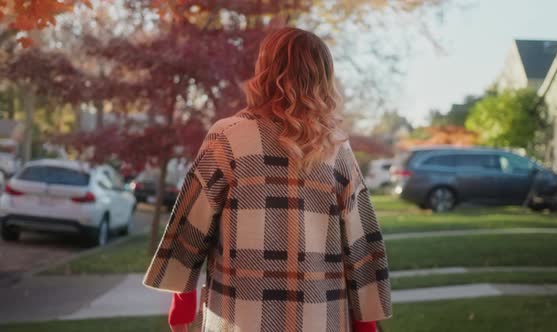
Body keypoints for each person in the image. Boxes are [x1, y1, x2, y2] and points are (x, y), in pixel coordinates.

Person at [143, 27, 392, 332]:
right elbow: (360, 248)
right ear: (324, 78)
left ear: (265, 69)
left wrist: (181, 313)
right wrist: (366, 327)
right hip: (319, 319)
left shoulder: (228, 137)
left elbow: (190, 231)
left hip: (240, 318)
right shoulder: (336, 148)